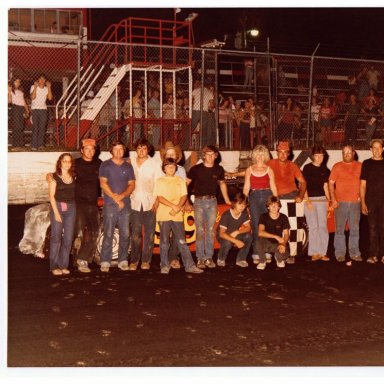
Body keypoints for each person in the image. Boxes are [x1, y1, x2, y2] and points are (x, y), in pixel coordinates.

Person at [153, 158, 203, 274]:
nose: (170, 168)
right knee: (164, 242)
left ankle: (189, 265)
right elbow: (159, 197)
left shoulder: (180, 180)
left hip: (177, 216)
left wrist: (178, 206)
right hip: (164, 215)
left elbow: (184, 196)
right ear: (164, 168)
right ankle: (164, 265)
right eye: (168, 166)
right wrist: (173, 206)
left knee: (182, 241)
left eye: (173, 166)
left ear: (176, 168)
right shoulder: (160, 181)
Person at [186, 145, 231, 269]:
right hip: (199, 202)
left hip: (213, 202)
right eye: (208, 154)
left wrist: (227, 200)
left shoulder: (219, 169)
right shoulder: (195, 169)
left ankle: (209, 257)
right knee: (200, 230)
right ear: (203, 155)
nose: (210, 157)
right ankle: (200, 258)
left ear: (216, 156)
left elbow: (222, 184)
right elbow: (186, 184)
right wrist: (186, 201)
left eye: (213, 155)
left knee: (210, 230)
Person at [99, 141, 135, 273]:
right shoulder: (105, 165)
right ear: (111, 151)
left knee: (125, 233)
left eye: (121, 149)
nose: (119, 151)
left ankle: (123, 260)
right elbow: (103, 183)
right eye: (116, 149)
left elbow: (132, 184)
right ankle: (105, 261)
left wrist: (123, 196)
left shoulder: (128, 166)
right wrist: (115, 198)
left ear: (124, 151)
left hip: (125, 204)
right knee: (108, 233)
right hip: (110, 204)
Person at [129, 138, 163, 271]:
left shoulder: (155, 164)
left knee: (149, 233)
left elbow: (159, 184)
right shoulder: (130, 163)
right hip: (134, 202)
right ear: (136, 149)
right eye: (139, 148)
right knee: (136, 234)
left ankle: (146, 261)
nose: (141, 151)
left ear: (148, 150)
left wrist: (157, 201)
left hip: (150, 203)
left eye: (144, 148)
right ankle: (134, 260)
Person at [243, 145, 278, 266]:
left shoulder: (269, 169)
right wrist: (243, 201)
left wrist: (276, 201)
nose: (259, 157)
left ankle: (267, 251)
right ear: (254, 156)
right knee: (256, 224)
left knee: (267, 224)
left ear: (265, 156)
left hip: (267, 195)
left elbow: (273, 186)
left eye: (262, 154)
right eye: (257, 154)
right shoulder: (249, 169)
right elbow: (246, 187)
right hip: (254, 197)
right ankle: (257, 253)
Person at [329, 144, 362, 264]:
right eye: (344, 152)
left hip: (355, 203)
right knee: (339, 230)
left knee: (355, 230)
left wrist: (362, 198)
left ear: (354, 153)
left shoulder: (360, 166)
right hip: (340, 203)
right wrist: (333, 199)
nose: (346, 154)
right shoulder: (337, 166)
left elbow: (365, 184)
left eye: (349, 152)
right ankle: (340, 254)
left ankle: (354, 253)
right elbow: (331, 183)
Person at [73, 138, 102, 273]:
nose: (90, 151)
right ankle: (75, 260)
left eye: (92, 149)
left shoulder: (100, 164)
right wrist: (51, 175)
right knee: (78, 233)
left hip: (92, 203)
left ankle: (82, 259)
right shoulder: (75, 163)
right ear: (81, 150)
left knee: (95, 232)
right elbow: (62, 174)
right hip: (77, 203)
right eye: (87, 149)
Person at [48, 153, 76, 276]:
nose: (67, 163)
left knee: (68, 238)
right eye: (64, 161)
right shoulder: (54, 177)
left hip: (71, 208)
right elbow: (51, 197)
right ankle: (54, 266)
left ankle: (63, 265)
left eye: (69, 161)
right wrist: (56, 213)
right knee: (56, 238)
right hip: (57, 206)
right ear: (60, 162)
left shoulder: (74, 176)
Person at [159, 141, 186, 269]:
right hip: (163, 206)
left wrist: (183, 205)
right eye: (168, 153)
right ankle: (163, 261)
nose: (171, 155)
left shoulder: (181, 170)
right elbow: (157, 190)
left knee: (177, 235)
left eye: (173, 154)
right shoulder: (160, 169)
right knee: (163, 235)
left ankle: (174, 258)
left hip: (177, 206)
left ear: (176, 156)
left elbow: (184, 190)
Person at [302, 145, 331, 262]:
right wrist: (307, 200)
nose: (319, 158)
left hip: (322, 200)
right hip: (310, 200)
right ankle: (314, 252)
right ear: (312, 156)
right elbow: (303, 185)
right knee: (313, 227)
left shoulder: (325, 170)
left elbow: (326, 186)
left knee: (323, 227)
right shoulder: (307, 168)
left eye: (321, 155)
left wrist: (328, 201)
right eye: (317, 155)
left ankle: (322, 252)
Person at [360, 139, 384, 264]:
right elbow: (362, 185)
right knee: (373, 228)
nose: (377, 150)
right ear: (370, 149)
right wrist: (363, 203)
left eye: (379, 147)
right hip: (371, 202)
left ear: (383, 149)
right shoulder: (366, 163)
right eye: (374, 147)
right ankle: (373, 255)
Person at [216, 192, 252, 267]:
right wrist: (236, 241)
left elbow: (248, 227)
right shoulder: (226, 215)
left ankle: (241, 259)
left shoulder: (244, 212)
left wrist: (238, 231)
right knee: (228, 242)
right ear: (234, 203)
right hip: (223, 235)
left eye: (244, 205)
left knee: (249, 237)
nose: (242, 207)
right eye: (240, 204)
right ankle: (221, 258)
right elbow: (221, 234)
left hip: (234, 233)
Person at [257, 196, 290, 270]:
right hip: (267, 243)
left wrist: (283, 244)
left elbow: (286, 234)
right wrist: (275, 236)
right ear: (268, 207)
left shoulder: (283, 217)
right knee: (259, 240)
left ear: (279, 206)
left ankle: (279, 259)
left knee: (285, 254)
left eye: (276, 205)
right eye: (271, 205)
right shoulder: (263, 216)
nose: (274, 207)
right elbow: (260, 232)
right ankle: (262, 261)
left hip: (278, 244)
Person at [30, 74, 53, 150]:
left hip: (43, 109)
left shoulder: (46, 88)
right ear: (38, 80)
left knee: (42, 128)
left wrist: (49, 87)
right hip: (35, 109)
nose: (42, 81)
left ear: (45, 81)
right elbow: (32, 97)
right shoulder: (33, 87)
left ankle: (40, 145)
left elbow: (49, 98)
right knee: (35, 127)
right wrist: (36, 87)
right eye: (40, 79)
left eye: (44, 79)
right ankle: (34, 145)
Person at [8, 78, 29, 149]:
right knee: (16, 127)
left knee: (20, 127)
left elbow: (23, 102)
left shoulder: (20, 91)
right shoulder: (10, 90)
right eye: (16, 81)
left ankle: (20, 145)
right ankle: (15, 145)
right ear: (13, 82)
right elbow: (9, 101)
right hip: (15, 108)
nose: (18, 83)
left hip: (21, 109)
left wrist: (27, 110)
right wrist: (9, 92)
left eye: (19, 82)